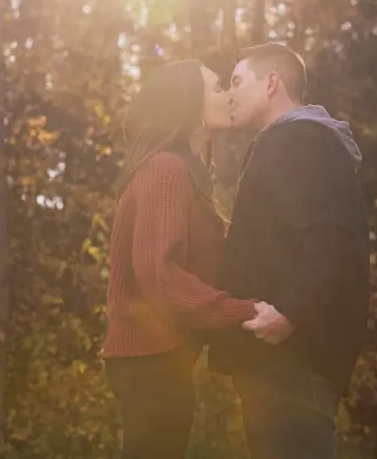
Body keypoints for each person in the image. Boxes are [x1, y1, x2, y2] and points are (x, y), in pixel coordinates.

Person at [102, 59, 275, 459]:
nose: (227, 94)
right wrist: (243, 312)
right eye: (216, 87)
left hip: (159, 360)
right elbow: (159, 276)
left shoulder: (187, 172)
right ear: (190, 106)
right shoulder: (166, 169)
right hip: (150, 363)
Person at [207, 43, 370, 459]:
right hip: (279, 364)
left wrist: (291, 313)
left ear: (271, 83)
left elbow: (334, 235)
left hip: (291, 363)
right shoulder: (294, 142)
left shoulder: (301, 141)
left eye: (238, 81)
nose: (230, 93)